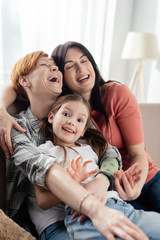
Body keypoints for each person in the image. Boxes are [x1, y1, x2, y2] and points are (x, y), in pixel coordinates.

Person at [0, 51, 150, 240]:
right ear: (24, 81)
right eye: (44, 66)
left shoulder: (72, 113)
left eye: (54, 65)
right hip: (54, 222)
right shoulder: (15, 126)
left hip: (99, 206)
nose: (54, 68)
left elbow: (109, 153)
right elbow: (42, 167)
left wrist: (102, 180)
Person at [32, 93, 160, 240]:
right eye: (66, 114)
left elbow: (106, 176)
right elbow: (42, 200)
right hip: (83, 216)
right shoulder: (42, 152)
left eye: (79, 120)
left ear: (84, 130)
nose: (72, 122)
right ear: (51, 117)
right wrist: (73, 183)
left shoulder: (91, 149)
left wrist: (120, 180)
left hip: (120, 207)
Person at [51, 41, 160, 212]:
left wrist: (135, 189)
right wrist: (2, 112)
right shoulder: (63, 115)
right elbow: (19, 86)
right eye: (70, 66)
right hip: (111, 191)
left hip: (147, 180)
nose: (81, 69)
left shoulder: (117, 94)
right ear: (61, 77)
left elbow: (138, 153)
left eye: (84, 60)